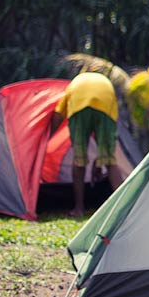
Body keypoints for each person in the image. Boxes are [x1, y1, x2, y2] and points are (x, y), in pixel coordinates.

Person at [50, 71, 122, 217]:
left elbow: (58, 113)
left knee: (79, 159)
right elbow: (111, 123)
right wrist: (100, 161)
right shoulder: (103, 81)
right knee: (109, 160)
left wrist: (48, 137)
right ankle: (122, 209)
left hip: (79, 107)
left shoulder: (75, 83)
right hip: (105, 102)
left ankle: (79, 209)